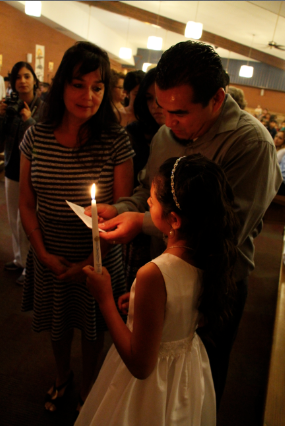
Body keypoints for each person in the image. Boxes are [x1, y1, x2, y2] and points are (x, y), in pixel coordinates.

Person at [85, 40, 282, 408]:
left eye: (180, 112)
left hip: (214, 286)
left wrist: (141, 222)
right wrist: (121, 208)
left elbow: (224, 230)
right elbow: (147, 189)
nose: (168, 120)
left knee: (196, 384)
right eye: (161, 107)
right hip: (163, 275)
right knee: (149, 390)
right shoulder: (165, 134)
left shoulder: (250, 144)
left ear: (217, 100)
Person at [76, 154, 239, 426]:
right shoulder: (210, 253)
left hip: (151, 385)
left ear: (174, 219)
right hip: (185, 373)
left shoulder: (154, 274)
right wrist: (146, 307)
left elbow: (140, 366)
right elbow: (180, 307)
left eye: (151, 201)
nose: (147, 204)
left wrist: (104, 298)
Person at [19, 41, 135, 413]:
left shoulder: (115, 141)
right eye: (78, 84)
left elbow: (120, 210)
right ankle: (62, 374)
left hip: (99, 258)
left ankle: (89, 388)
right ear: (60, 85)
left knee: (92, 327)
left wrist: (88, 261)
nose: (88, 96)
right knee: (57, 323)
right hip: (49, 252)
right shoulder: (36, 135)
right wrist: (43, 253)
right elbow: (25, 202)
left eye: (98, 87)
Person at [0, 61, 44, 285]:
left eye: (27, 76)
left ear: (34, 81)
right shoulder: (10, 107)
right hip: (11, 168)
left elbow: (43, 140)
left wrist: (29, 120)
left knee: (27, 220)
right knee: (13, 218)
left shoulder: (43, 107)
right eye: (17, 77)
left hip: (33, 172)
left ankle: (30, 266)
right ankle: (19, 259)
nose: (22, 81)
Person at [124, 67, 165, 288]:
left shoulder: (175, 133)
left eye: (160, 99)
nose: (156, 106)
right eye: (149, 98)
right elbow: (140, 184)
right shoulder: (134, 134)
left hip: (167, 228)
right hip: (137, 216)